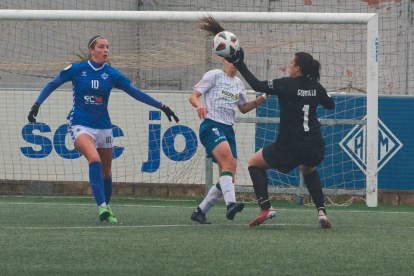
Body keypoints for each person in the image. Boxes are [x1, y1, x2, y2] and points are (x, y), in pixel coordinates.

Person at [27, 36, 179, 222]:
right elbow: (52, 84)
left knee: (106, 172)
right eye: (101, 47)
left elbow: (135, 92)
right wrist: (37, 104)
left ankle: (107, 209)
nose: (106, 50)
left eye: (107, 47)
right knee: (94, 158)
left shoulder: (112, 74)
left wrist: (162, 106)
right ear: (92, 50)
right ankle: (101, 208)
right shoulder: (77, 69)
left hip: (104, 128)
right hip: (80, 124)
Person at [226, 48, 335, 228]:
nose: (288, 66)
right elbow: (330, 105)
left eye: (291, 63)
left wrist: (240, 64)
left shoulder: (286, 84)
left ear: (298, 68)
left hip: (290, 146)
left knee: (254, 163)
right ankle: (321, 211)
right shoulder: (316, 87)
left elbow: (257, 85)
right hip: (315, 146)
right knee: (308, 169)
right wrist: (319, 90)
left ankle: (265, 207)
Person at [189, 57, 269, 224]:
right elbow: (193, 96)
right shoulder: (214, 75)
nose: (234, 63)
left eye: (237, 61)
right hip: (211, 125)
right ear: (224, 60)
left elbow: (244, 108)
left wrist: (265, 96)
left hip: (228, 129)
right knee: (228, 162)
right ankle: (230, 205)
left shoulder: (239, 83)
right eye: (231, 60)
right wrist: (199, 105)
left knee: (229, 177)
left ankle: (200, 212)